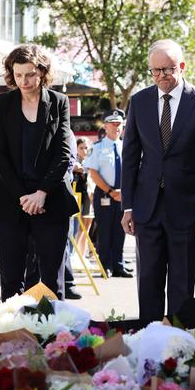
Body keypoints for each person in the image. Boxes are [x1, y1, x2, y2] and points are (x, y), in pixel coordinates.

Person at [121, 39, 195, 321]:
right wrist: (128, 207)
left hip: (189, 210)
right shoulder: (139, 101)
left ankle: (178, 346)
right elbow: (130, 157)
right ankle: (150, 344)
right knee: (148, 282)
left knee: (182, 285)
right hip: (147, 208)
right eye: (154, 71)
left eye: (166, 70)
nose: (160, 77)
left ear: (181, 67)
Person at [0, 44, 79, 301]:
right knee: (11, 280)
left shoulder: (59, 102)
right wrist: (24, 197)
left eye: (29, 74)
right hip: (10, 200)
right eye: (18, 75)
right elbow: (0, 155)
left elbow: (63, 152)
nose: (24, 81)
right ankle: (10, 336)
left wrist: (41, 193)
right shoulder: (2, 103)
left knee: (50, 280)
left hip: (51, 200)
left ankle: (55, 339)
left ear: (42, 72)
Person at [86, 111, 131, 278]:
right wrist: (111, 191)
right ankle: (105, 265)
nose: (116, 127)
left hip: (123, 194)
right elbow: (94, 173)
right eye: (112, 123)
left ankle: (118, 265)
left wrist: (124, 192)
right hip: (105, 194)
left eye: (119, 124)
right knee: (105, 231)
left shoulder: (127, 146)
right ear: (105, 126)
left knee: (121, 229)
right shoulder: (97, 147)